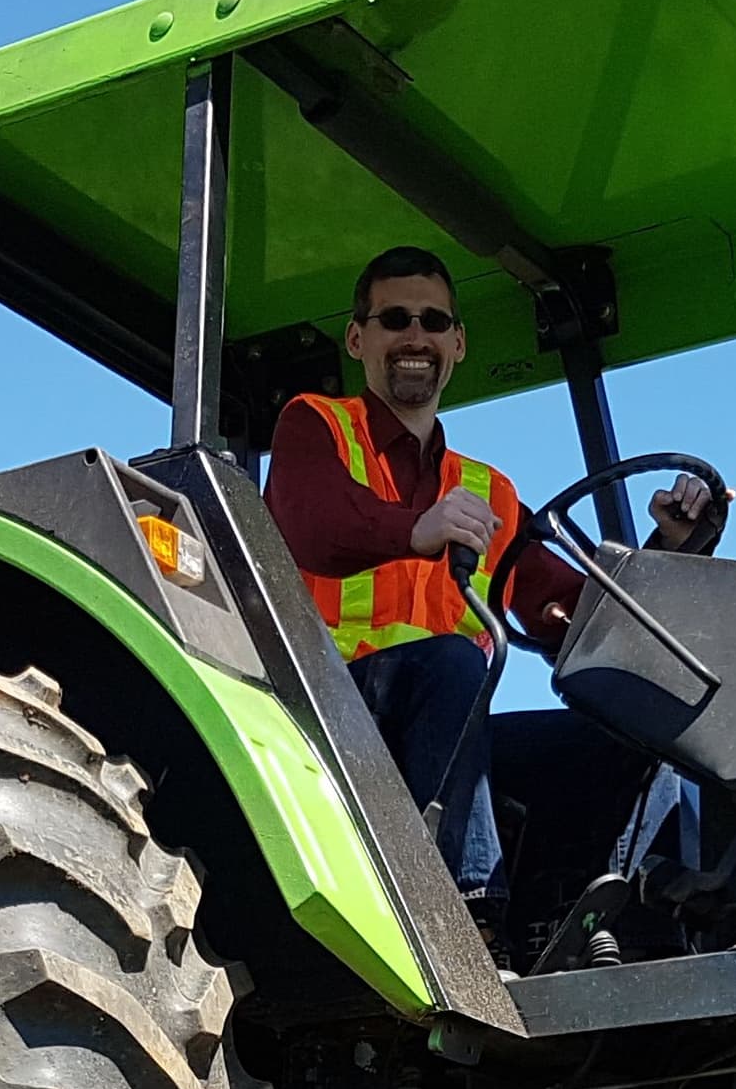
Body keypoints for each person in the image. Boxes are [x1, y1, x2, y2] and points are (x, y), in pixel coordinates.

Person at [263, 247, 711, 904]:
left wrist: (674, 543)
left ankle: (599, 925)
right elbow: (310, 522)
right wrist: (412, 530)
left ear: (459, 343)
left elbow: (567, 615)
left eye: (434, 322)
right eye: (395, 318)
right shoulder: (317, 426)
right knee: (451, 661)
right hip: (329, 724)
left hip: (446, 740)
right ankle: (472, 907)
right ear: (358, 338)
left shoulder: (486, 493)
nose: (416, 336)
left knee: (629, 740)